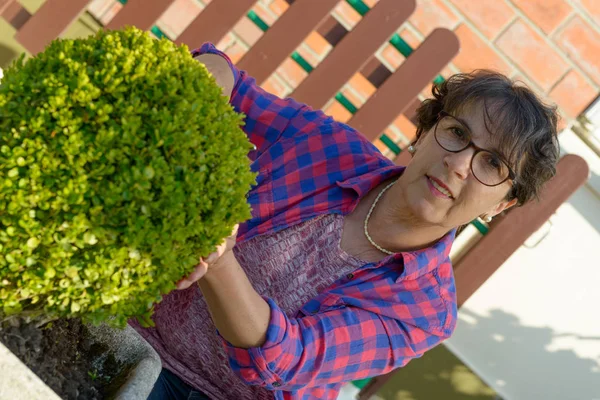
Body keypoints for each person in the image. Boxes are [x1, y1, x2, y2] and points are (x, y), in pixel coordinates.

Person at [132, 43, 559, 400]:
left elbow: (285, 358)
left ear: (501, 205)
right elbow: (226, 78)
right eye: (458, 134)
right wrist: (203, 93)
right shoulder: (326, 147)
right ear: (426, 131)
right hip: (130, 329)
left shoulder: (424, 310)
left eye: (492, 163)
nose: (459, 164)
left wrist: (218, 257)